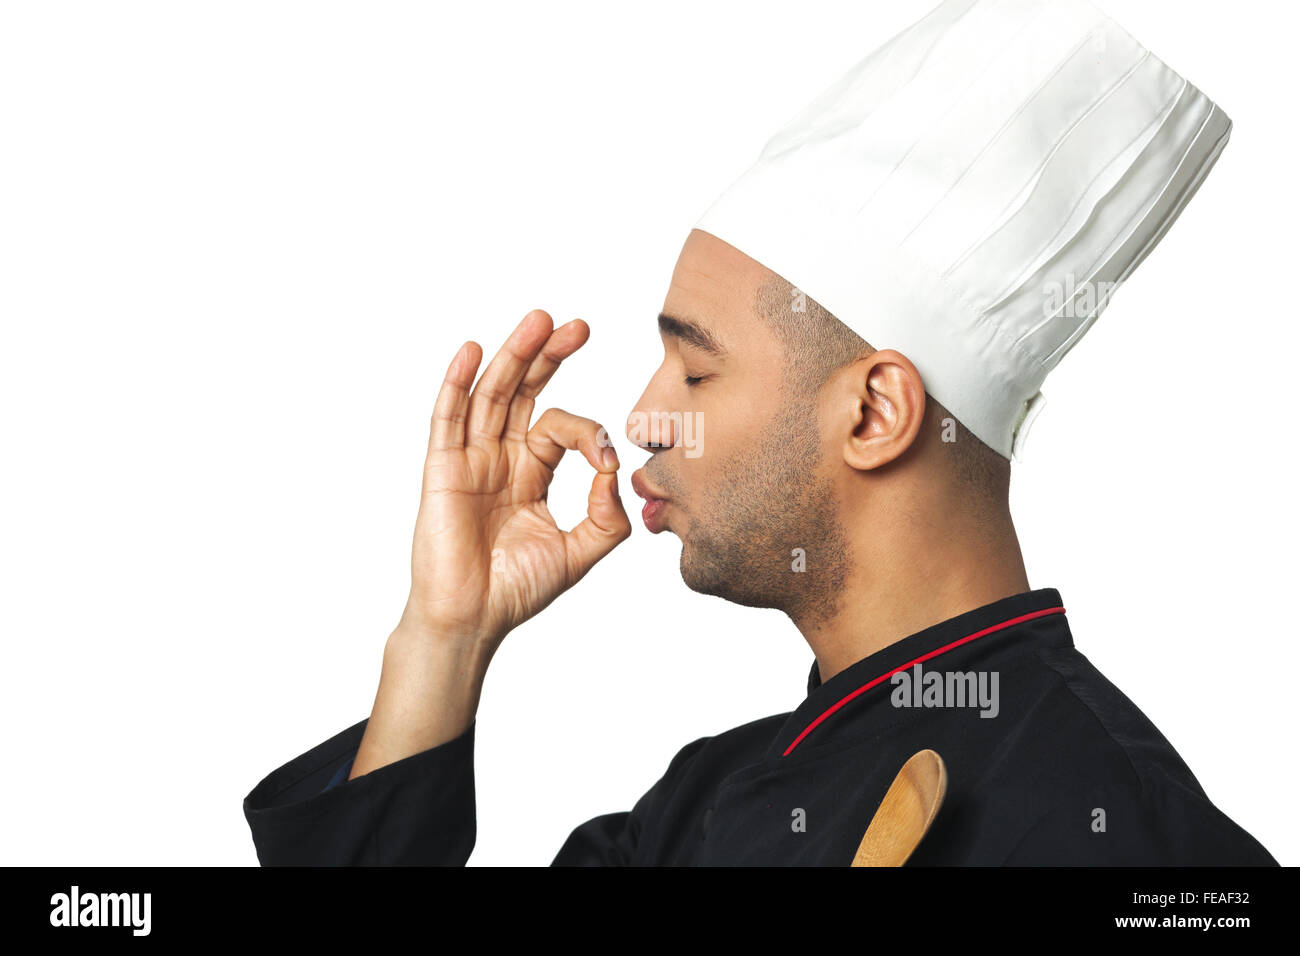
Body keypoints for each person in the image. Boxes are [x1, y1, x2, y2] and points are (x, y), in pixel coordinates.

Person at [242, 0, 1278, 865]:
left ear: (874, 413)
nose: (643, 416)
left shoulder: (1132, 838)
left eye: (696, 367)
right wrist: (445, 638)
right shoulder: (700, 805)